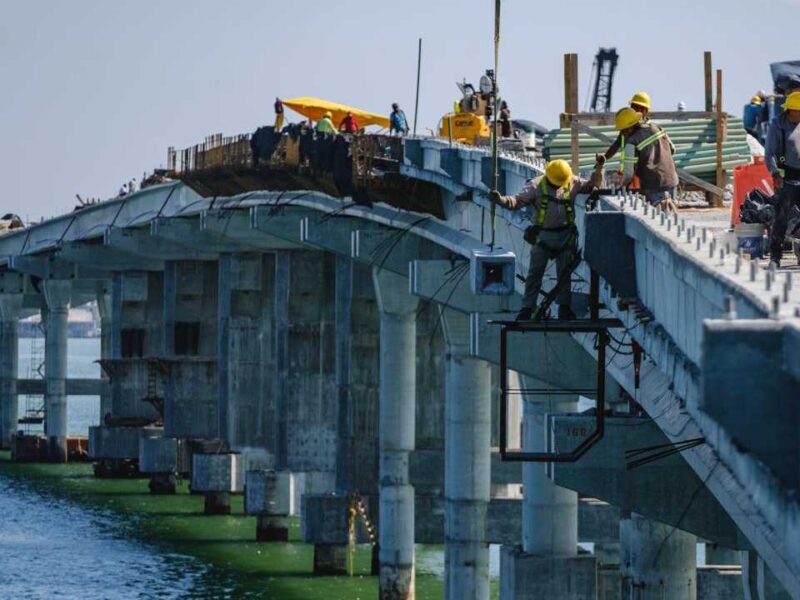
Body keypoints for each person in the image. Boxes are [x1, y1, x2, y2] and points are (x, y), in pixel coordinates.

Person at [489, 159, 603, 321]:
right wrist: (501, 200)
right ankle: (527, 308)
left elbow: (592, 186)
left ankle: (564, 307)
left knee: (564, 274)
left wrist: (599, 169)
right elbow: (516, 202)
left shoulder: (571, 182)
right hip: (543, 236)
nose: (559, 187)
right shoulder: (535, 186)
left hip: (566, 237)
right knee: (535, 273)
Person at [613, 106, 679, 210]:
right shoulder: (656, 127)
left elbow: (629, 173)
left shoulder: (632, 142)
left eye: (622, 131)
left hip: (653, 186)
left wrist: (621, 188)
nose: (622, 134)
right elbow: (673, 149)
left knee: (657, 220)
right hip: (671, 181)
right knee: (670, 218)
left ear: (629, 128)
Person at [766, 90, 800, 268]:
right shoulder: (777, 125)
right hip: (786, 177)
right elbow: (770, 153)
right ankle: (775, 257)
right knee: (782, 217)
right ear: (791, 111)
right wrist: (775, 173)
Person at [596, 91, 652, 166]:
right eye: (634, 107)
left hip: (643, 171)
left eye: (641, 108)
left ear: (646, 111)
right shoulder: (627, 126)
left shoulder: (651, 130)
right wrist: (604, 157)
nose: (637, 110)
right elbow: (616, 145)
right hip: (629, 171)